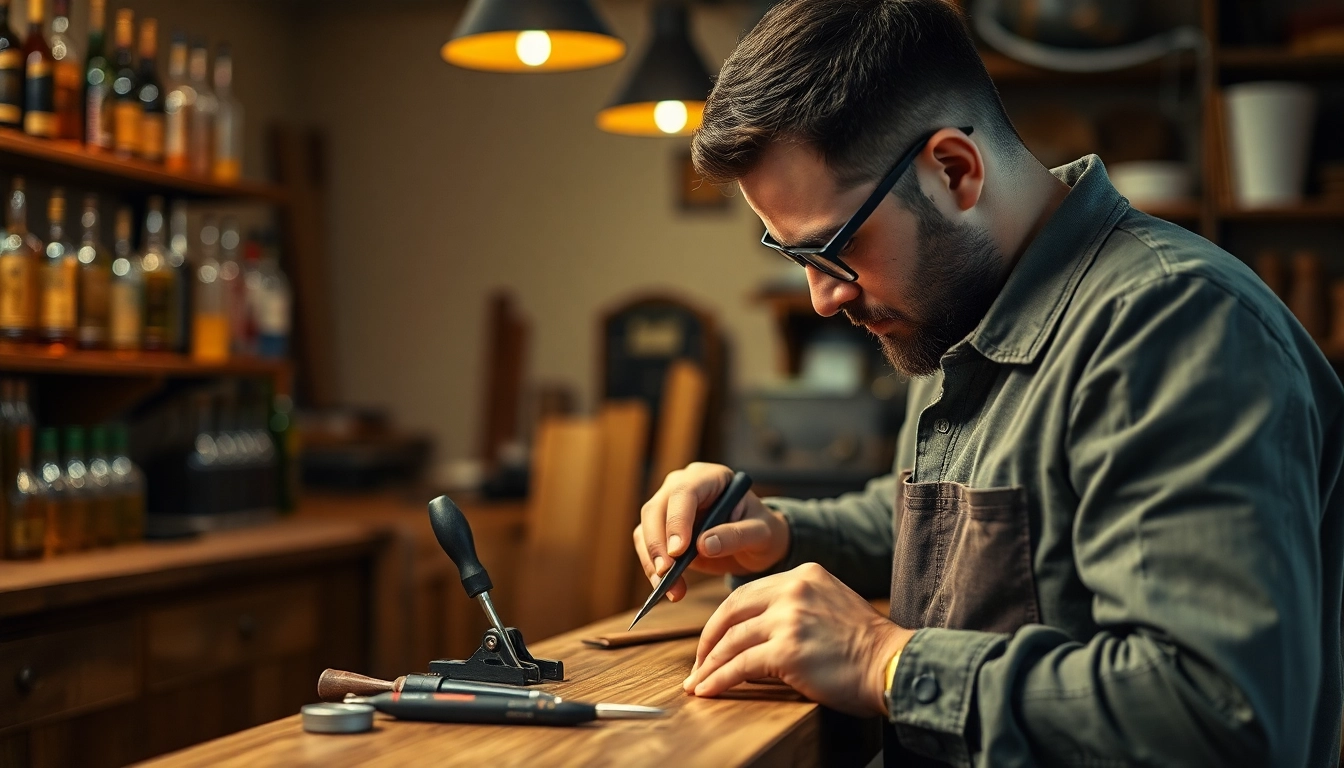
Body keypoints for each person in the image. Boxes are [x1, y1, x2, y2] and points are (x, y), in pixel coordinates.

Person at [632, 1, 1344, 765]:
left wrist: (887, 661)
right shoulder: (955, 309)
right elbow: (960, 527)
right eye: (793, 255)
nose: (822, 296)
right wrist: (775, 533)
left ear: (953, 171)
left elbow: (1214, 716)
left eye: (833, 249)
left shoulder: (1174, 325)